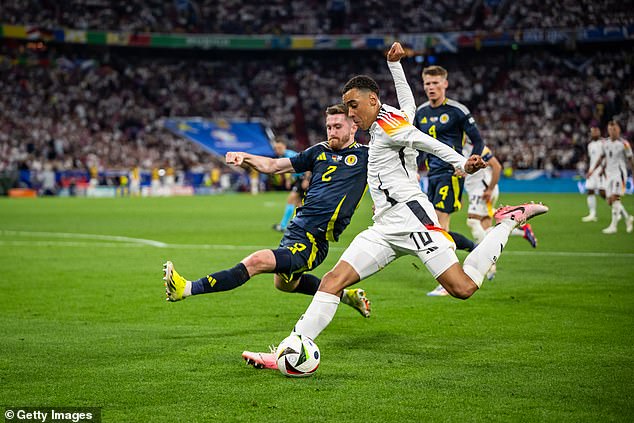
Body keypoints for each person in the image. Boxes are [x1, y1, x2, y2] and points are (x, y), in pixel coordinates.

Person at [242, 42, 549, 370]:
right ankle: (286, 352)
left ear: (372, 100)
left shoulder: (392, 128)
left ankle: (507, 222)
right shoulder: (388, 118)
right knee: (333, 280)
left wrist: (463, 165)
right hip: (384, 227)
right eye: (347, 107)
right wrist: (395, 66)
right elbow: (408, 105)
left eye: (353, 105)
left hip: (413, 220)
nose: (349, 114)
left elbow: (424, 141)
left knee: (463, 287)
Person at [163, 103, 372, 325]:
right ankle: (346, 296)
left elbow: (388, 179)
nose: (331, 131)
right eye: (329, 126)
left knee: (256, 261)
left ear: (353, 127)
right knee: (284, 285)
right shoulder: (319, 151)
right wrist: (245, 157)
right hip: (296, 229)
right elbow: (273, 165)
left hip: (314, 241)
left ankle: (186, 288)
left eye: (337, 126)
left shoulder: (367, 156)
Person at [413, 63, 486, 296]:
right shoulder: (421, 113)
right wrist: (415, 168)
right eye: (427, 83)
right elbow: (417, 145)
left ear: (445, 84)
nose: (431, 87)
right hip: (432, 175)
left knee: (439, 228)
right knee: (437, 229)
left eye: (435, 83)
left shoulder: (457, 110)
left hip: (451, 174)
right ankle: (478, 252)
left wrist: (466, 165)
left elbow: (479, 141)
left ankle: (449, 282)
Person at [462, 141, 538, 281]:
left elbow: (497, 167)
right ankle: (523, 231)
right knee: (485, 228)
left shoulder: (478, 147)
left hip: (483, 191)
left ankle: (488, 264)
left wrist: (490, 189)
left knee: (472, 221)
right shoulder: (460, 147)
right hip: (477, 191)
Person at [589, 120, 633, 234]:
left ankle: (613, 227)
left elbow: (630, 160)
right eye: (610, 129)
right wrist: (595, 170)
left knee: (615, 198)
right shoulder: (606, 143)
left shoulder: (624, 144)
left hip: (619, 174)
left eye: (614, 129)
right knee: (610, 201)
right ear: (608, 130)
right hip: (609, 174)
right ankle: (627, 218)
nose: (612, 131)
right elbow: (603, 158)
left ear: (618, 130)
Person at [271, 139, 308, 232]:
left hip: (303, 179)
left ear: (284, 146)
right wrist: (289, 179)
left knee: (292, 199)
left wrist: (307, 179)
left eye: (279, 147)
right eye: (276, 148)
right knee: (299, 204)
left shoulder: (290, 155)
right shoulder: (283, 156)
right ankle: (301, 226)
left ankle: (283, 225)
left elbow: (308, 165)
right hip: (299, 180)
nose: (277, 150)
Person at [581, 126, 607, 222]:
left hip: (601, 171)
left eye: (596, 131)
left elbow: (606, 157)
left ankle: (617, 209)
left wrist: (604, 169)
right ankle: (592, 214)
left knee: (603, 193)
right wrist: (589, 170)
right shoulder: (590, 145)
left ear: (599, 132)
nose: (595, 133)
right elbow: (591, 159)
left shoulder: (604, 143)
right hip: (592, 172)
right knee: (590, 190)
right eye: (593, 132)